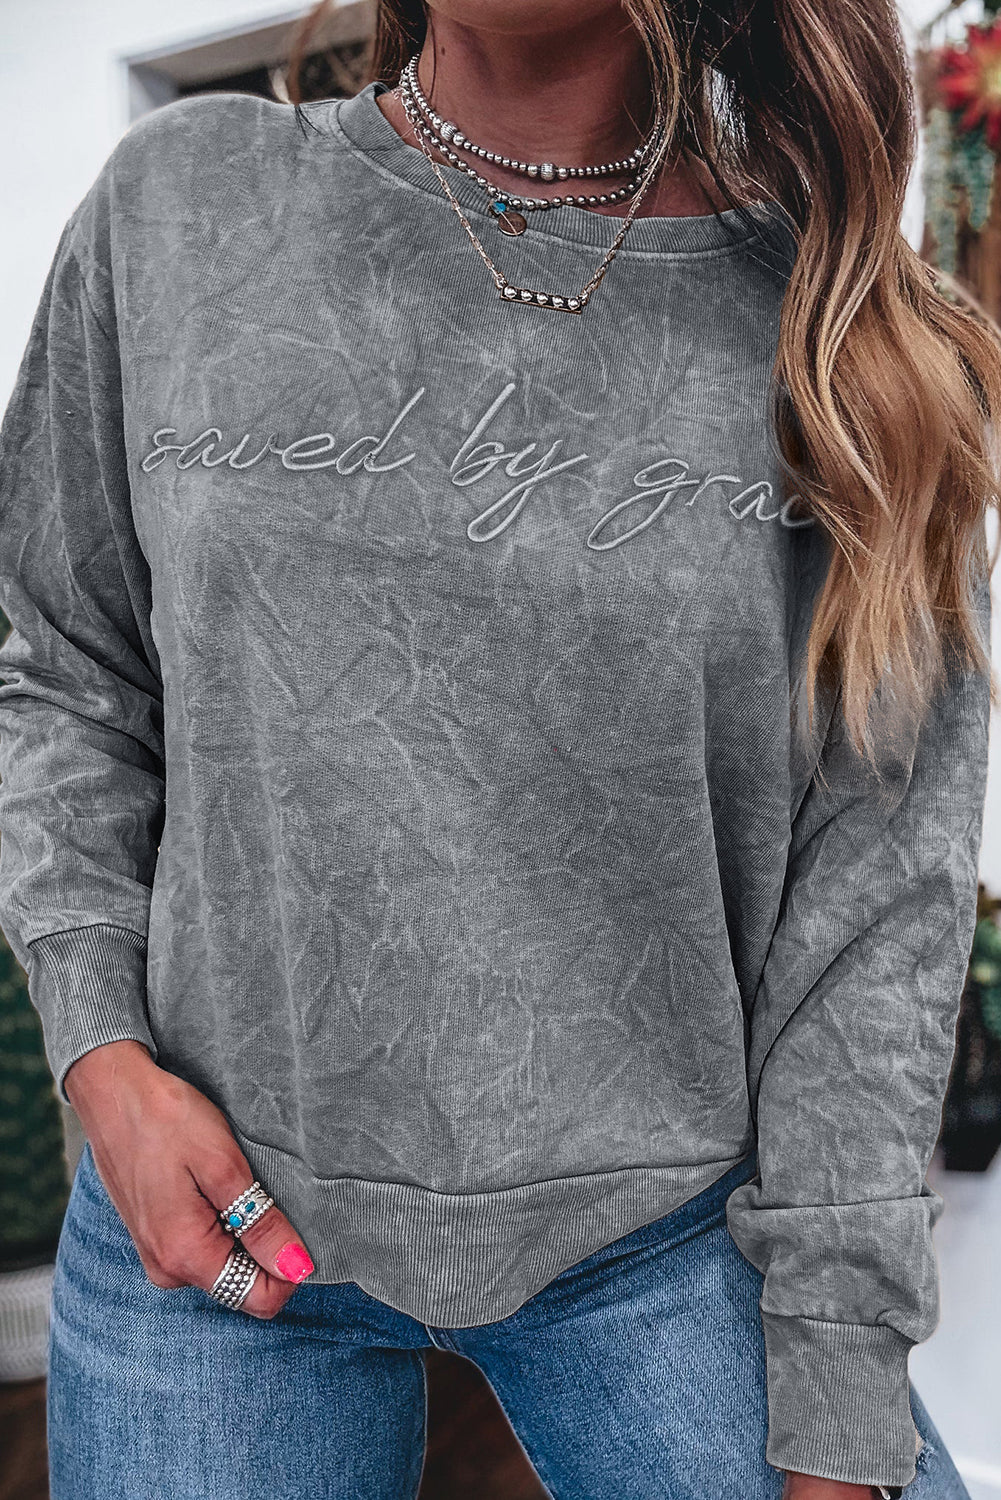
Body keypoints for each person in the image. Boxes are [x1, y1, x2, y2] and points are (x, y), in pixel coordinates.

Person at [0, 0, 996, 1495]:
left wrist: (839, 1371)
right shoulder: (182, 203)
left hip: (671, 1232)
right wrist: (103, 1060)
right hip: (210, 1202)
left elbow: (874, 916)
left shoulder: (844, 337)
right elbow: (66, 668)